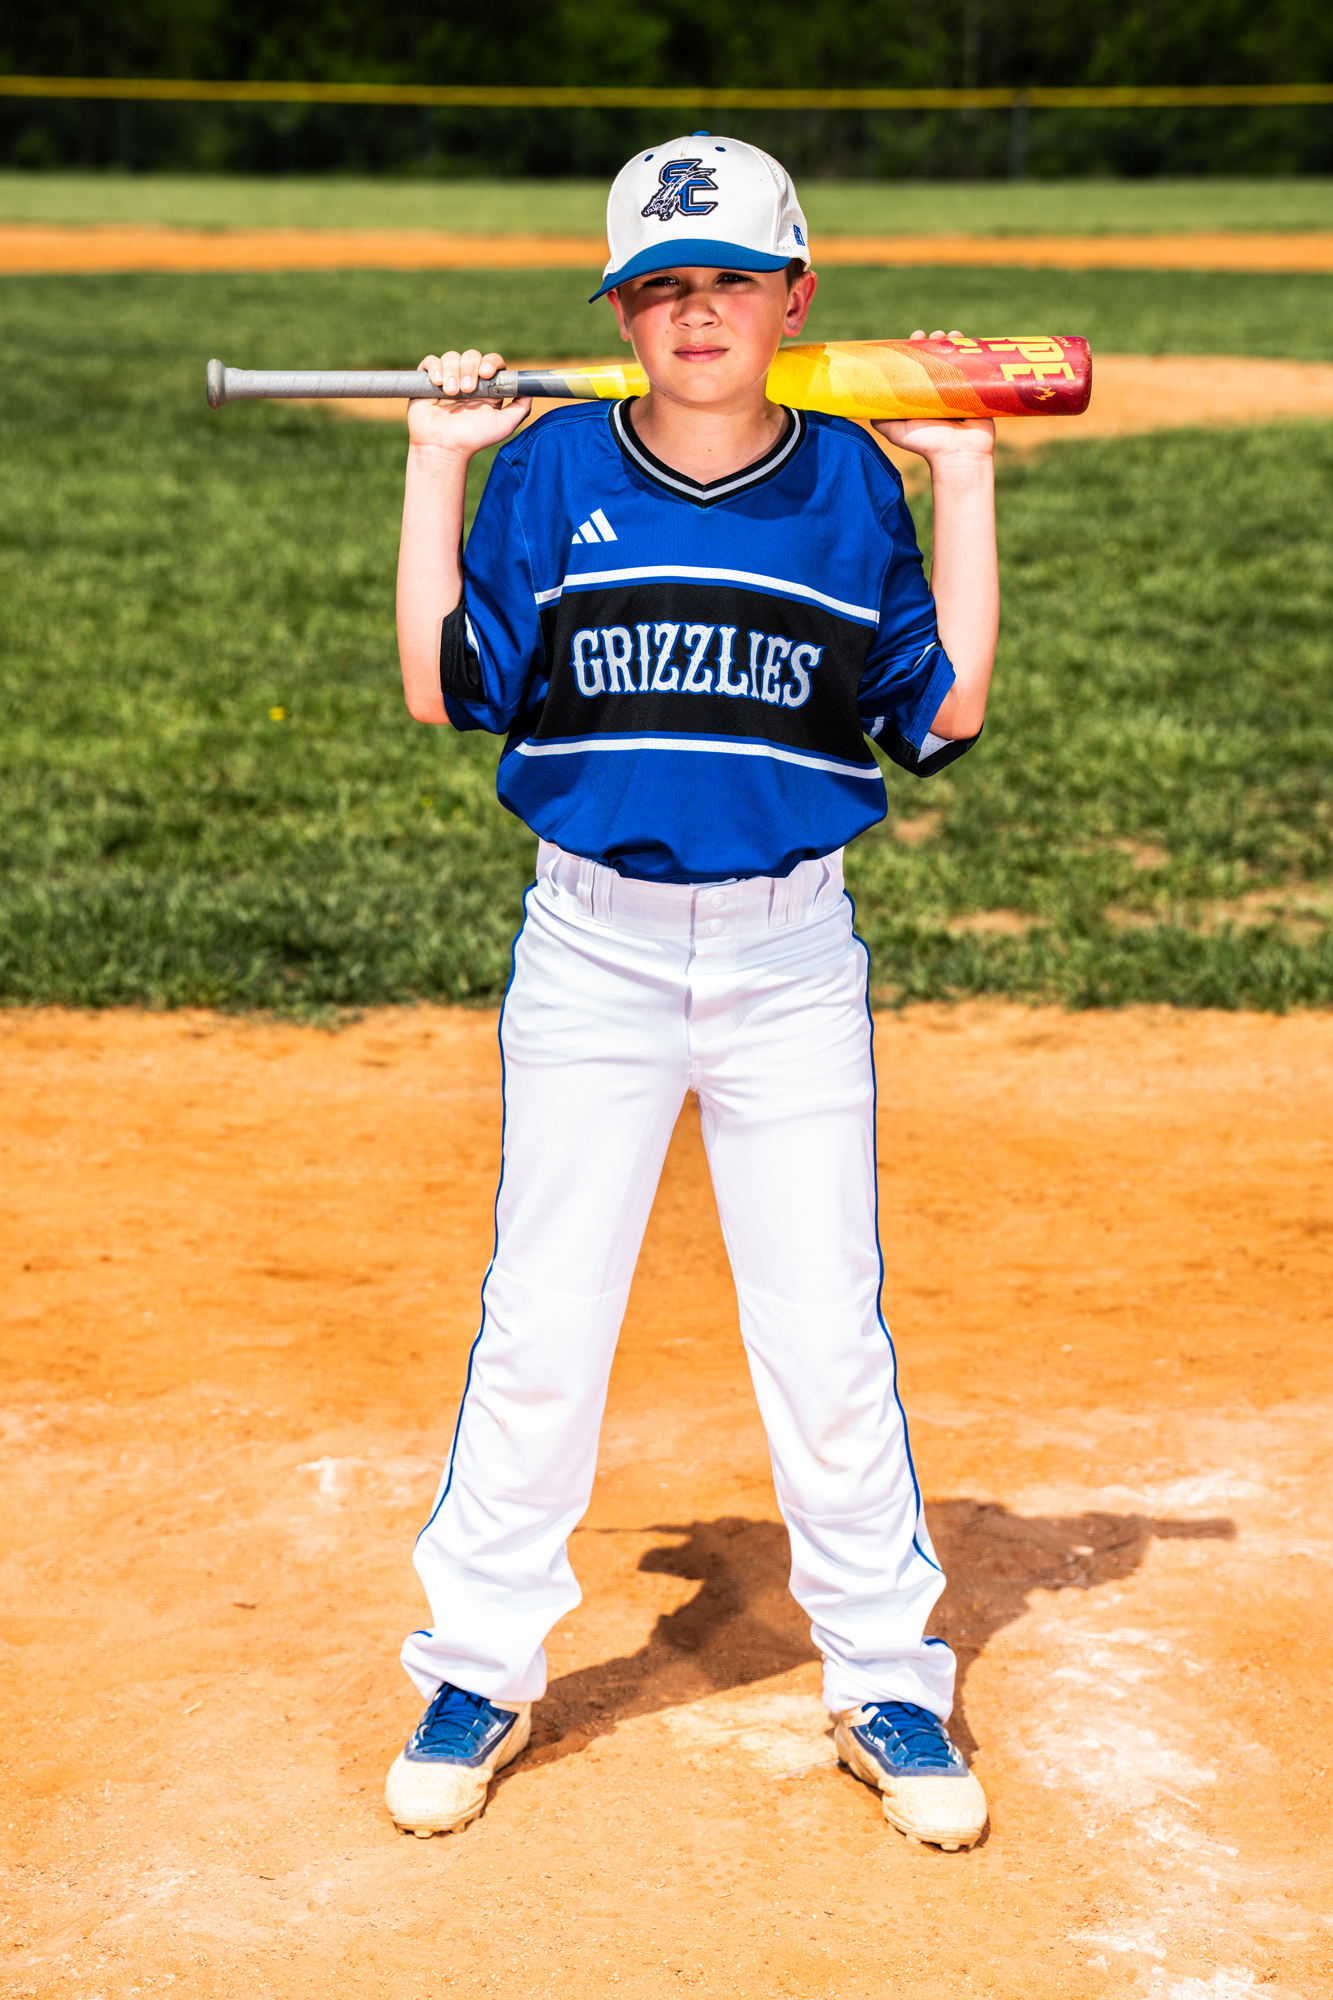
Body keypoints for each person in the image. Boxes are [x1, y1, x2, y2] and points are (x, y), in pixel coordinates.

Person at [386, 133, 998, 1853]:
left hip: (790, 956)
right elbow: (446, 686)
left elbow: (939, 709)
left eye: (731, 279)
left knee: (823, 1326)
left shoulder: (850, 480)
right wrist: (436, 467)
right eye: (660, 287)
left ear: (795, 298)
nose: (696, 311)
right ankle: (479, 1665)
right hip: (589, 950)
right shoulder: (550, 465)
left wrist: (962, 481)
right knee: (543, 1317)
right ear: (621, 314)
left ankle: (882, 1673)